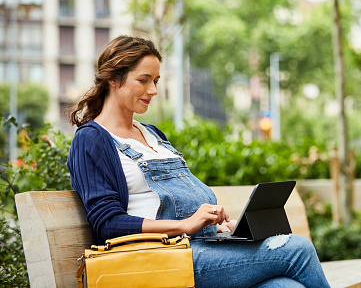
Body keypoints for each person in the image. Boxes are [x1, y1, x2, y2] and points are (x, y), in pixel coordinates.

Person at [67, 35, 331, 288]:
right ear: (114, 78)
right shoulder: (92, 139)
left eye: (156, 80)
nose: (154, 90)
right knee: (297, 249)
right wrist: (184, 225)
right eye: (144, 80)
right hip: (162, 259)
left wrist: (216, 223)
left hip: (202, 247)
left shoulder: (152, 134)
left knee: (285, 286)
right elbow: (107, 224)